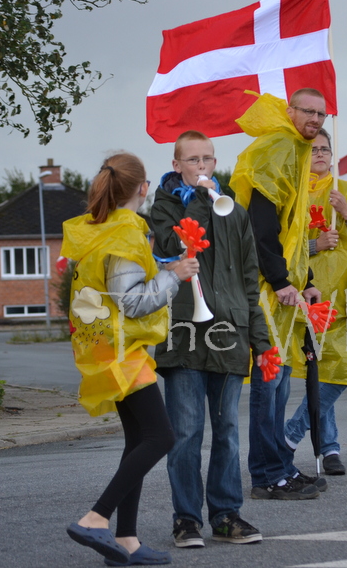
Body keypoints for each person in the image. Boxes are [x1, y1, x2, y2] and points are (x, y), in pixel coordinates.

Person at [63, 153, 199, 566]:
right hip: (122, 350)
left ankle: (125, 540)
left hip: (109, 347)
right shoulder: (123, 234)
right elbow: (132, 302)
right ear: (142, 189)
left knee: (139, 440)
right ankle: (95, 518)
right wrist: (174, 274)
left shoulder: (97, 231)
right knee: (161, 437)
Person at [150, 130, 273, 547]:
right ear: (177, 165)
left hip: (230, 333)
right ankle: (186, 519)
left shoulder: (234, 211)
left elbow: (249, 279)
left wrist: (261, 339)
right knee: (186, 433)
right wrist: (202, 200)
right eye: (193, 160)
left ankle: (226, 515)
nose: (202, 166)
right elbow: (172, 243)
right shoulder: (163, 206)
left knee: (227, 433)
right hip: (184, 334)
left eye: (208, 159)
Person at [230, 89, 328, 500]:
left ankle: (281, 468)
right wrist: (280, 279)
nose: (317, 120)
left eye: (322, 114)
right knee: (269, 383)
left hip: (283, 289)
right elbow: (261, 222)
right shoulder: (280, 146)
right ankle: (267, 476)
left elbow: (294, 229)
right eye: (309, 111)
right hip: (265, 291)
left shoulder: (297, 150)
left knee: (282, 382)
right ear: (290, 111)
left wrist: (302, 280)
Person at [283, 128, 347, 476]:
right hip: (305, 298)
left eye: (326, 149)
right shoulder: (290, 195)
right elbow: (278, 248)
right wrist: (315, 246)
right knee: (319, 372)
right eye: (313, 150)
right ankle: (329, 449)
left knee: (340, 371)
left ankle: (291, 435)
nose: (321, 155)